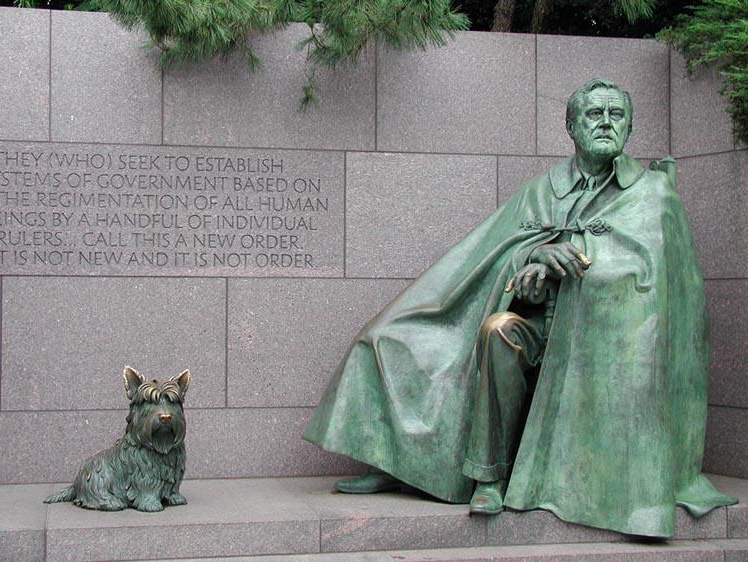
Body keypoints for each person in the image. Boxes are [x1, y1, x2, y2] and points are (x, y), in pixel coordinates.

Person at [303, 78, 737, 537]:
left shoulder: (653, 193)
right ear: (571, 126)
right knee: (422, 334)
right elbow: (493, 254)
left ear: (629, 126)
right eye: (594, 114)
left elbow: (660, 288)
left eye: (617, 115)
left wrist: (574, 262)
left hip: (603, 344)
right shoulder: (541, 190)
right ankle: (459, 471)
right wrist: (530, 259)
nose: (606, 123)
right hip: (535, 328)